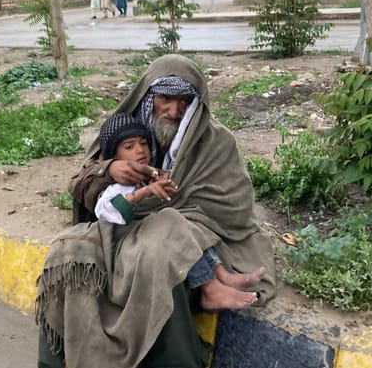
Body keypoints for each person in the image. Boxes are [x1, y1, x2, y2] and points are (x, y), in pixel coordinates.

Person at [35, 55, 276, 368]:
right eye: (166, 98)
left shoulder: (217, 143)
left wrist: (160, 210)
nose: (174, 110)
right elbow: (80, 185)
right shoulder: (119, 131)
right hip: (114, 229)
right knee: (65, 256)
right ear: (149, 95)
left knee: (162, 248)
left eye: (184, 101)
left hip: (182, 233)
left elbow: (230, 206)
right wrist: (107, 171)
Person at [94, 111, 264, 308]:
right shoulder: (117, 185)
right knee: (172, 223)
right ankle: (209, 288)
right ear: (114, 157)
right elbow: (106, 210)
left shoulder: (146, 176)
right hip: (125, 239)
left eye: (144, 143)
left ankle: (221, 275)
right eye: (129, 147)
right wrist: (144, 193)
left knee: (186, 220)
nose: (140, 150)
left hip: (148, 230)